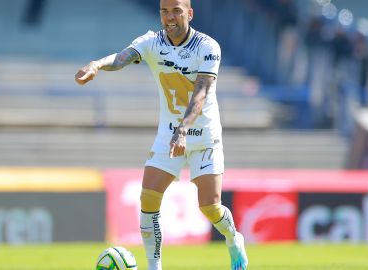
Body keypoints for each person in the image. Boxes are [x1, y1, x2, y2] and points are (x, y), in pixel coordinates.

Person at [74, 0, 248, 269]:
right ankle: (154, 267)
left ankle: (234, 238)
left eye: (176, 11)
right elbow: (121, 59)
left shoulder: (207, 47)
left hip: (203, 136)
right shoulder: (152, 42)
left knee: (209, 207)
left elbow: (201, 92)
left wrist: (183, 129)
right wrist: (96, 65)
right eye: (164, 11)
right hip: (169, 136)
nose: (170, 17)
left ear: (189, 13)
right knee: (149, 198)